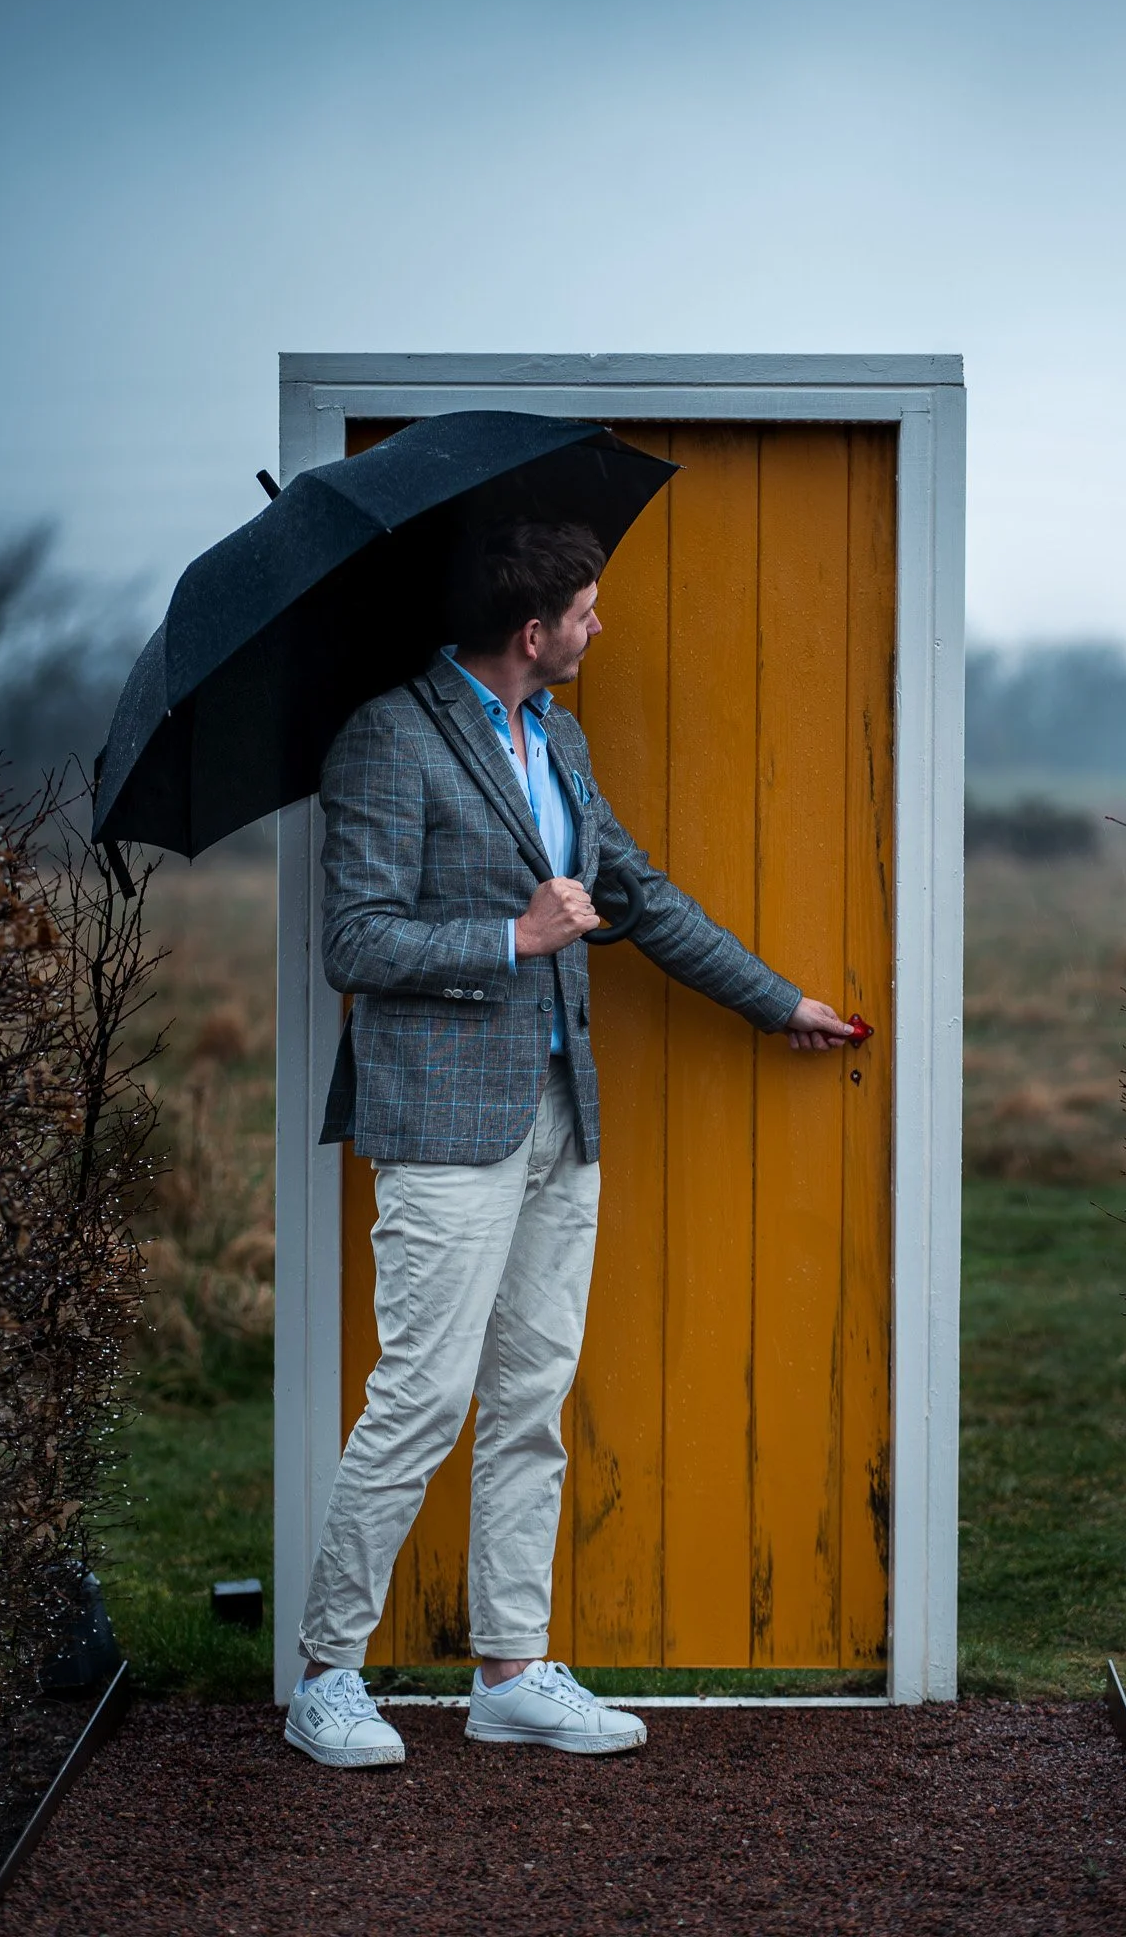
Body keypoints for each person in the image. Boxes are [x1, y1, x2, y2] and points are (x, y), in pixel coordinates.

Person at [285, 519, 855, 1770]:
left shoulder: (560, 738)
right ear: (532, 631)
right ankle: (326, 1673)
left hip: (560, 1110)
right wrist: (514, 937)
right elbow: (356, 940)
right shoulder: (388, 737)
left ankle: (510, 1672)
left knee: (531, 1398)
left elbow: (636, 893)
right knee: (422, 1398)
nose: (601, 628)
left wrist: (777, 1000)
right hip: (444, 1121)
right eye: (587, 613)